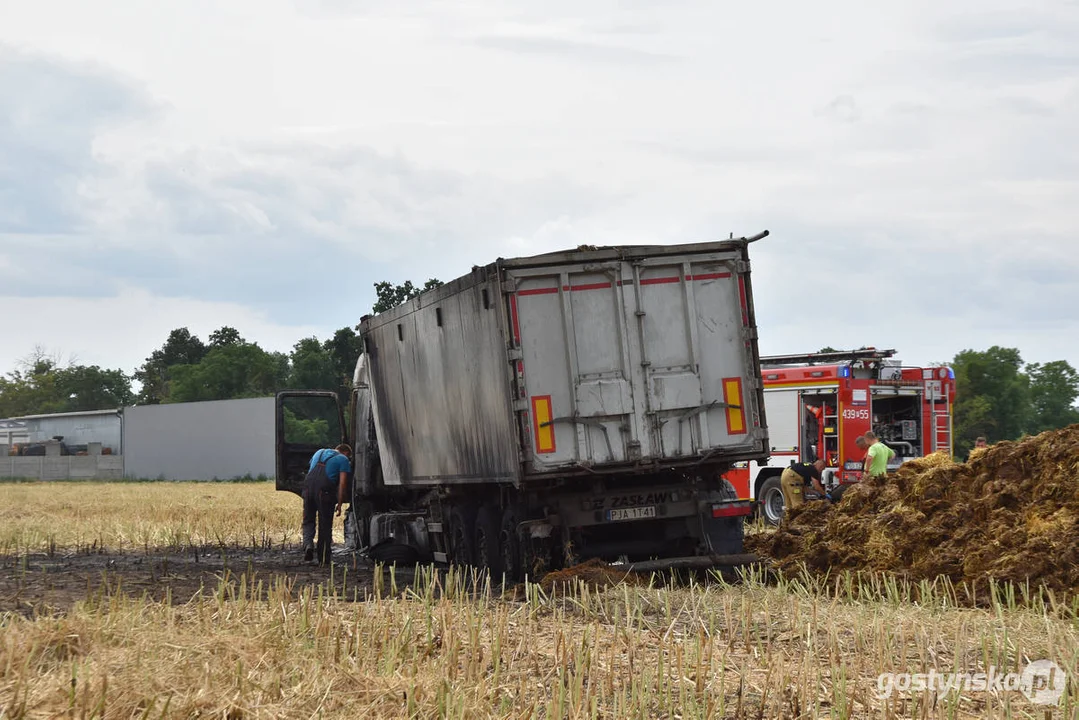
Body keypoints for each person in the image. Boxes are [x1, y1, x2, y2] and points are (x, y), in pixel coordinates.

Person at [302, 443, 352, 566]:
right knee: (325, 524)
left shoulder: (319, 452)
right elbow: (342, 484)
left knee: (308, 520)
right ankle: (324, 559)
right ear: (346, 453)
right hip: (324, 491)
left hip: (308, 488)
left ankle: (308, 544)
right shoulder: (343, 459)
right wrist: (339, 504)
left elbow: (310, 471)